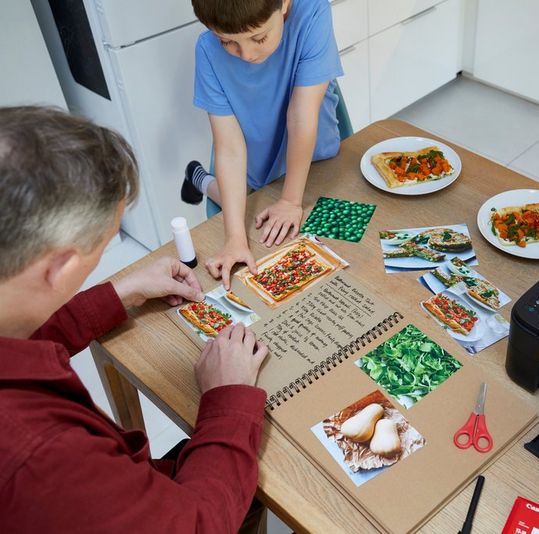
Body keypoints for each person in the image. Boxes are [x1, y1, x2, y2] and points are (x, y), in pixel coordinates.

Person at [0, 106, 270, 533]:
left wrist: (119, 292)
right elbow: (200, 526)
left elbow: (18, 337)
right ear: (60, 266)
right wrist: (228, 396)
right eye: (103, 246)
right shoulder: (44, 457)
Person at [182, 0, 343, 289]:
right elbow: (230, 147)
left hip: (311, 154)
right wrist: (234, 239)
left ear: (284, 4)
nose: (247, 54)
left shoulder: (313, 11)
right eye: (227, 42)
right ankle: (201, 179)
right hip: (255, 157)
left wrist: (291, 201)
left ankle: (201, 180)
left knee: (287, 217)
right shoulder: (207, 49)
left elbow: (301, 116)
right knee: (255, 214)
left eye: (258, 38)